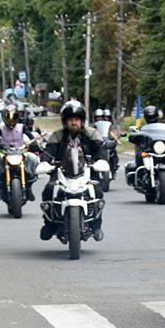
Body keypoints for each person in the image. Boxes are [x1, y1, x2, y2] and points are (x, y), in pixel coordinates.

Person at [39, 101, 106, 241]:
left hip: (86, 172)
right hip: (61, 172)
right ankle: (50, 224)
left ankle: (96, 226)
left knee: (97, 191)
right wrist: (45, 162)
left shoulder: (91, 134)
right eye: (70, 119)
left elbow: (100, 150)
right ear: (65, 121)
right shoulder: (57, 135)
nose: (74, 122)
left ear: (82, 121)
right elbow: (49, 152)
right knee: (48, 190)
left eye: (76, 119)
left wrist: (100, 160)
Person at [0, 104, 38, 203]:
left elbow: (31, 136)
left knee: (33, 159)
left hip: (21, 151)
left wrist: (32, 142)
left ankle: (29, 187)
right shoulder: (1, 128)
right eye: (8, 117)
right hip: (5, 152)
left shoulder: (22, 127)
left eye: (13, 117)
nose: (11, 121)